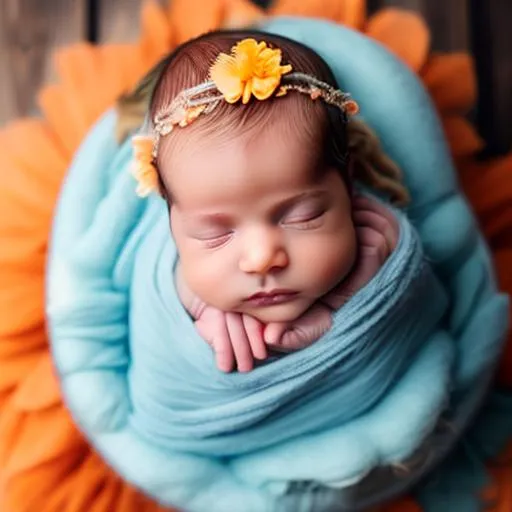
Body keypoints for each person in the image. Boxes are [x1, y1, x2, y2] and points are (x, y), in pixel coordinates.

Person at [130, 30, 410, 373]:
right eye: (213, 234)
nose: (262, 258)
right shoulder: (175, 279)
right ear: (171, 218)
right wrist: (198, 308)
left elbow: (420, 324)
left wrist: (352, 304)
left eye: (302, 216)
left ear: (349, 185)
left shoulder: (379, 241)